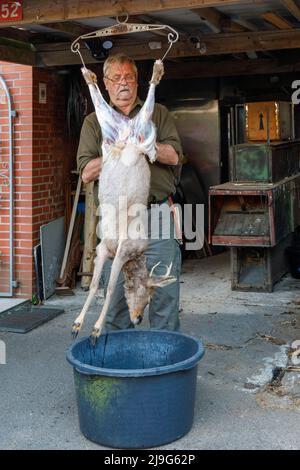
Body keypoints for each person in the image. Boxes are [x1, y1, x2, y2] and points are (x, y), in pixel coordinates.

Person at [77, 53, 183, 331]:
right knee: (116, 305)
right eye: (116, 78)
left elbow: (174, 157)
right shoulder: (93, 122)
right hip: (116, 219)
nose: (123, 83)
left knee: (164, 299)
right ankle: (116, 367)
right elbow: (86, 172)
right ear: (106, 84)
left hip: (156, 215)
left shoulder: (157, 113)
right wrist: (117, 151)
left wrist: (145, 143)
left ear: (137, 82)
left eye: (129, 77)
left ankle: (164, 367)